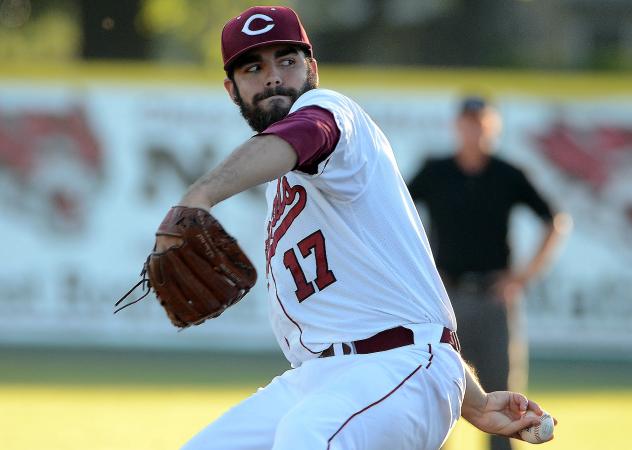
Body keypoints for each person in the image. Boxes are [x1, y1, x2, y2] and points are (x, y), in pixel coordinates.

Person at [157, 7, 554, 450]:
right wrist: (474, 400)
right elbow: (383, 303)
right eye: (254, 67)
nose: (273, 78)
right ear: (232, 89)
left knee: (307, 438)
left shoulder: (329, 112)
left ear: (312, 68)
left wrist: (199, 196)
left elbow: (308, 132)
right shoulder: (281, 182)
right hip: (323, 377)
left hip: (398, 365)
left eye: (287, 61)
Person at [408, 96, 566, 450]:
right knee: (440, 396)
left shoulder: (507, 173)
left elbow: (553, 221)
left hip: (493, 299)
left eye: (481, 122)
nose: (473, 129)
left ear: (493, 126)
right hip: (446, 301)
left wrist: (521, 278)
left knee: (502, 402)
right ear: (456, 126)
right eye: (467, 122)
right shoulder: (435, 172)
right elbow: (397, 212)